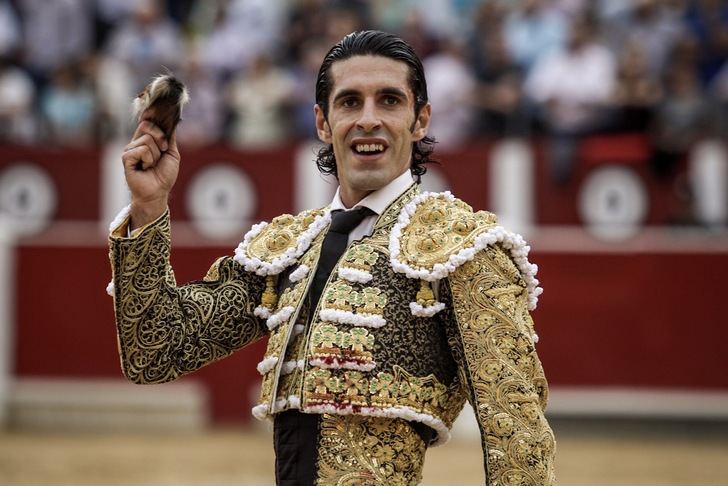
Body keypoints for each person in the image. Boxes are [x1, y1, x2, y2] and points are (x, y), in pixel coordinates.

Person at [107, 30, 556, 485]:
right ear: (322, 122)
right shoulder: (289, 248)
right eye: (349, 102)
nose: (368, 120)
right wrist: (149, 208)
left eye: (389, 101)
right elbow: (157, 351)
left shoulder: (460, 248)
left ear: (420, 120)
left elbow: (516, 431)